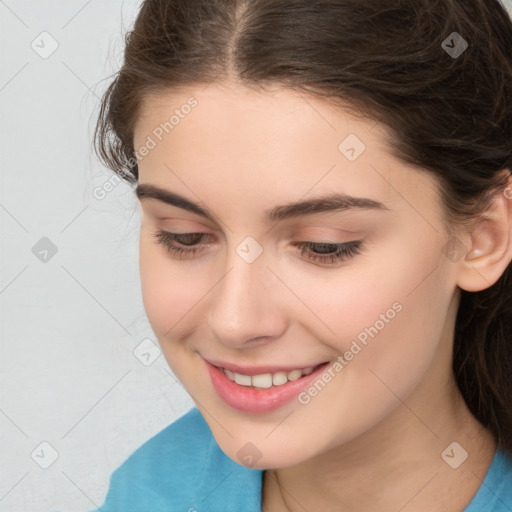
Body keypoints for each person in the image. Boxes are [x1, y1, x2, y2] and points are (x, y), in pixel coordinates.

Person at [79, 0, 512, 510]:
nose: (234, 321)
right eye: (185, 236)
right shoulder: (147, 495)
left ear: (484, 239)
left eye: (323, 247)